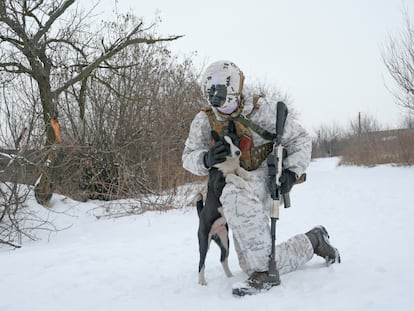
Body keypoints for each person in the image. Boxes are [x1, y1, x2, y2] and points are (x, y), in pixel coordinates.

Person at [182, 60, 340, 295]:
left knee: (236, 195)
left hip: (262, 178)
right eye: (218, 104)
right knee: (251, 264)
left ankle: (266, 271)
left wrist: (291, 171)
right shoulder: (205, 120)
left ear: (238, 89)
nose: (223, 108)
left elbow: (300, 140)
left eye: (227, 101)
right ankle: (312, 241)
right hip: (230, 181)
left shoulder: (263, 111)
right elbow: (188, 157)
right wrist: (205, 159)